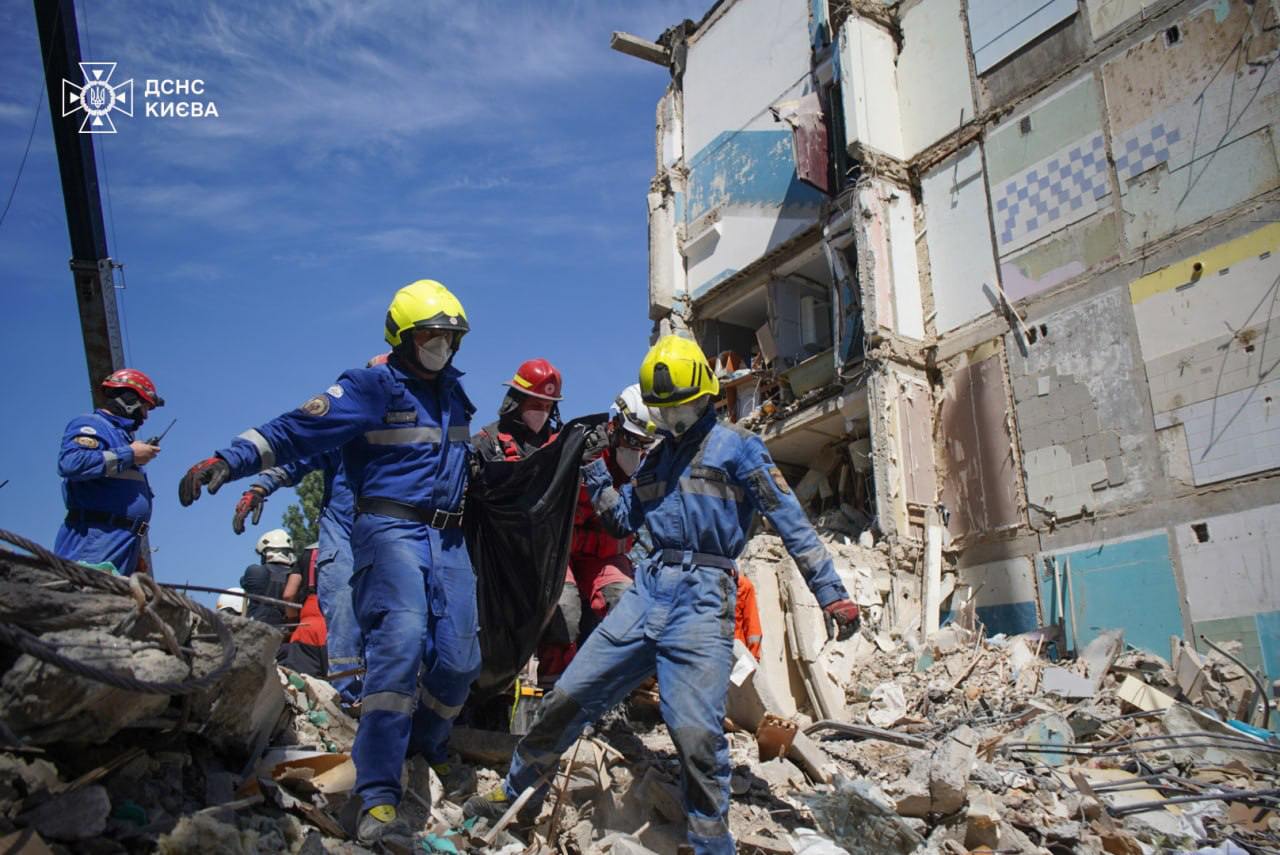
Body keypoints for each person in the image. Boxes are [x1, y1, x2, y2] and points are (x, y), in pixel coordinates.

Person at [464, 336, 861, 854]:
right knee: (566, 698)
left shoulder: (740, 448)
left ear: (705, 396)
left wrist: (832, 594)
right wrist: (593, 468)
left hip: (703, 597)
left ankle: (711, 844)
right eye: (664, 412)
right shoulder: (655, 462)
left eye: (680, 410)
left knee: (696, 734)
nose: (673, 421)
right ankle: (516, 793)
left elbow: (793, 523)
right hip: (647, 591)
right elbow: (621, 520)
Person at [178, 279, 478, 846]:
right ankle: (378, 795)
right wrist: (233, 460)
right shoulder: (371, 386)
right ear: (402, 338)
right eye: (431, 336)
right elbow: (301, 429)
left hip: (450, 540)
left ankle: (426, 743)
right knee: (398, 645)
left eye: (450, 337)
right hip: (389, 530)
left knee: (461, 661)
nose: (443, 346)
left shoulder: (454, 394)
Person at [470, 359, 577, 682]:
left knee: (566, 611)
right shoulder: (486, 443)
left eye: (548, 405)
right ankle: (483, 692)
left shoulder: (562, 448)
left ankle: (553, 696)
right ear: (516, 401)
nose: (541, 411)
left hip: (545, 557)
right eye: (535, 403)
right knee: (488, 629)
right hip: (497, 560)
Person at [231, 446, 362, 704]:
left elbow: (290, 595)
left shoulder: (300, 558)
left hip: (305, 627)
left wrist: (292, 622)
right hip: (339, 627)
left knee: (302, 692)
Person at [555, 384, 657, 672]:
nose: (636, 450)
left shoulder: (647, 467)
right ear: (614, 426)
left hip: (605, 555)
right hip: (564, 554)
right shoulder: (579, 451)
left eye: (644, 443)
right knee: (563, 609)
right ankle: (555, 688)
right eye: (632, 439)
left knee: (624, 603)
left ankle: (610, 687)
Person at [54, 369, 165, 576]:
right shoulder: (93, 425)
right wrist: (130, 454)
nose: (145, 416)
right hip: (94, 542)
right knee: (83, 595)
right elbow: (71, 464)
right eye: (145, 407)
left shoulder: (123, 439)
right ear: (130, 399)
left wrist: (133, 552)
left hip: (121, 544)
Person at [240, 529, 301, 628]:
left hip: (255, 630)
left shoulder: (253, 571)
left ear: (265, 553)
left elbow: (243, 582)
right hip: (286, 632)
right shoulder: (295, 577)